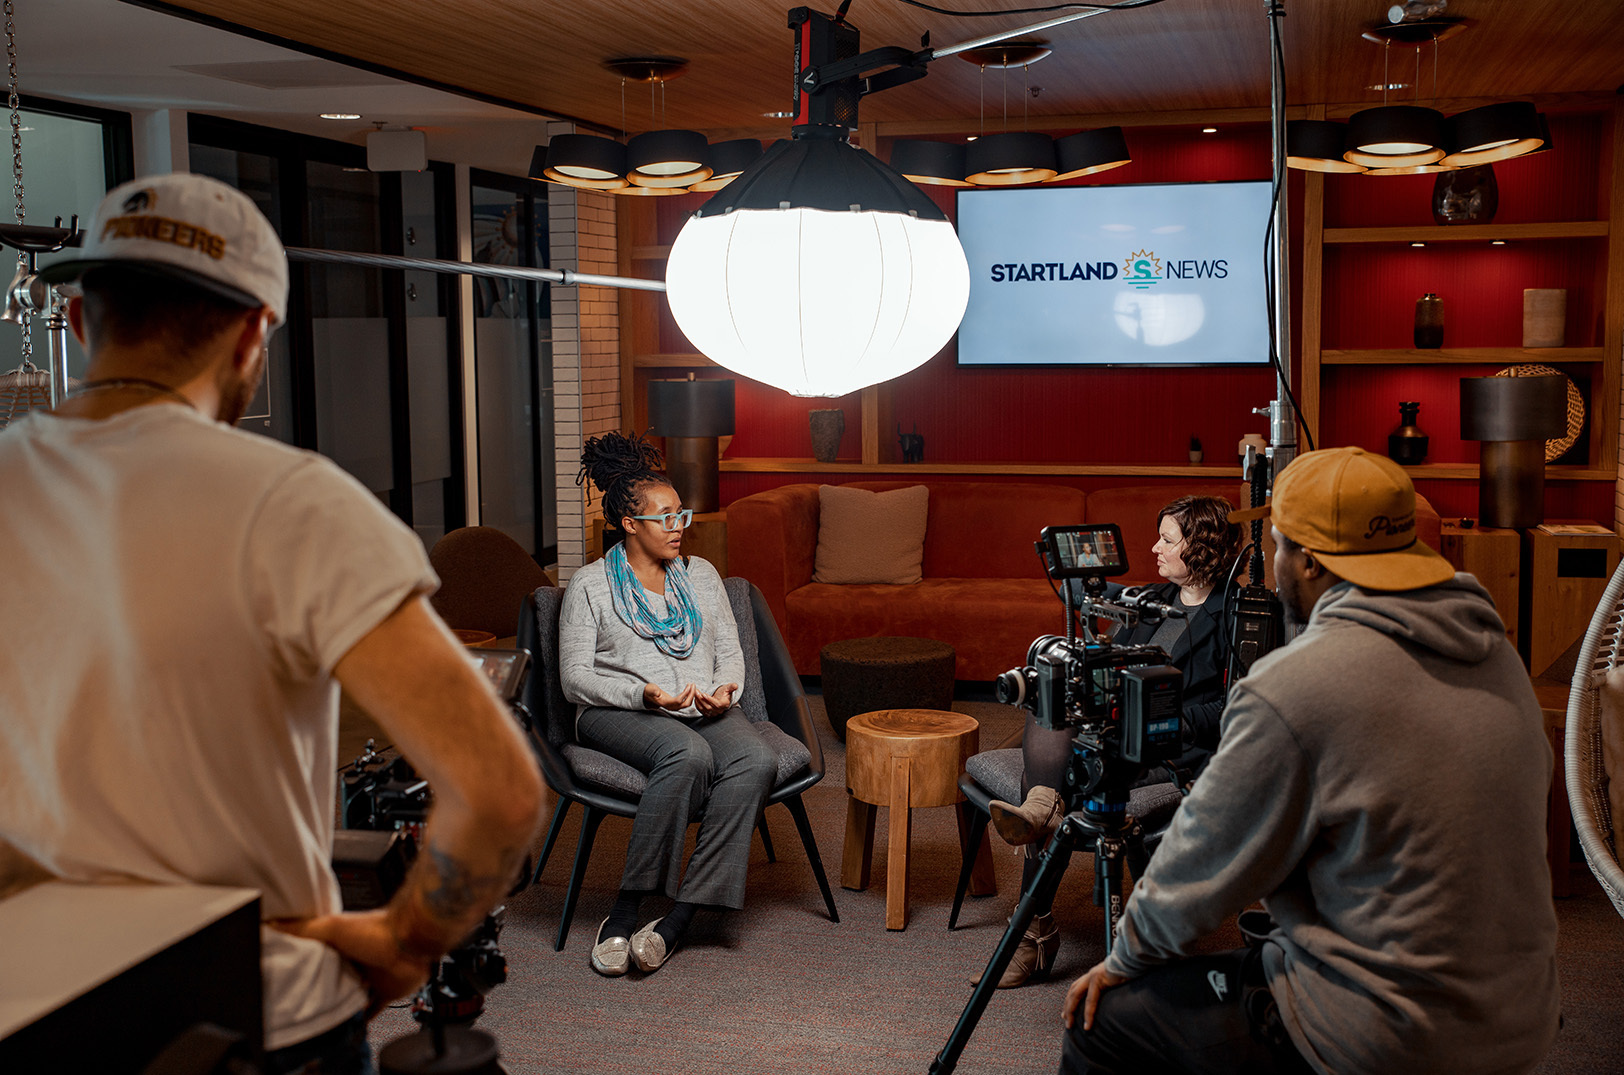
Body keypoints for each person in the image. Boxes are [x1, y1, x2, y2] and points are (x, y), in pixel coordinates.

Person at [0, 173, 544, 1073]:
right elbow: (500, 792)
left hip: (33, 1015)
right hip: (258, 1021)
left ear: (80, 320)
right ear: (255, 333)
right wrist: (404, 943)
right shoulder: (295, 505)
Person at [1061, 447, 1560, 1075]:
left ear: (1308, 562)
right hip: (1522, 1014)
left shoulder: (1294, 687)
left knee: (1103, 1021)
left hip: (1390, 1032)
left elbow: (1203, 859)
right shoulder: (1498, 657)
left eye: (1277, 546)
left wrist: (1123, 958)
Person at [980, 494, 1242, 988]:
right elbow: (1082, 605)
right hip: (1106, 729)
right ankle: (1043, 807)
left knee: (1049, 776)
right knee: (1053, 690)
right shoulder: (1152, 599)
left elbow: (1233, 708)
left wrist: (1163, 715)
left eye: (1167, 539)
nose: (1154, 548)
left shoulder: (1234, 617)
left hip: (1164, 744)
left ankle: (1034, 930)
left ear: (1201, 546)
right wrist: (1074, 565)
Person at [560, 431, 777, 977]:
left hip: (699, 708)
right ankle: (624, 910)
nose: (679, 527)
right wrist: (644, 693)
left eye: (682, 514)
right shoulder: (589, 585)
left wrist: (725, 691)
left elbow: (729, 652)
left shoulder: (700, 576)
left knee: (757, 759)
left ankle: (678, 918)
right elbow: (573, 678)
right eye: (664, 518)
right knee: (688, 755)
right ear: (629, 524)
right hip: (619, 712)